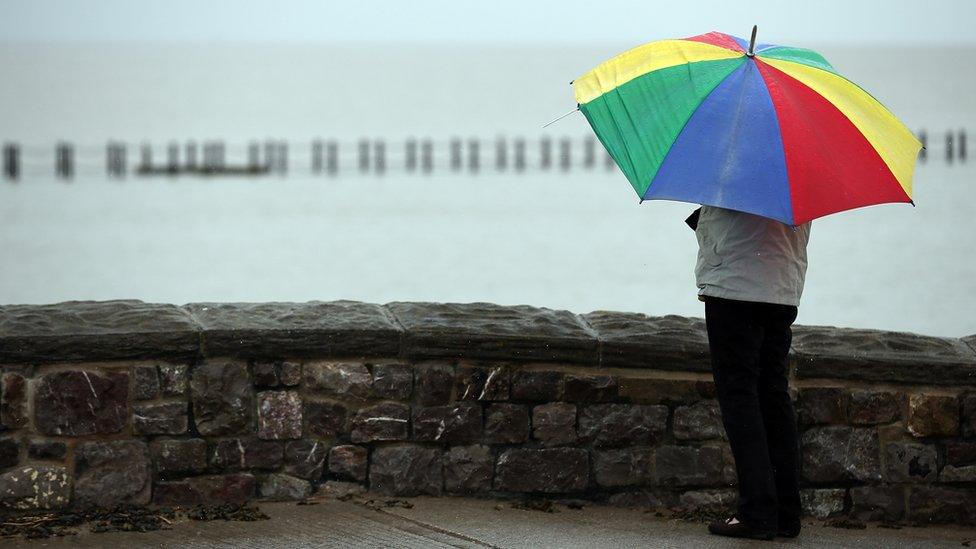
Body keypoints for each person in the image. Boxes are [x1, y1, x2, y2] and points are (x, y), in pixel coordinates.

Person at [688, 205, 812, 541]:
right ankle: (785, 512)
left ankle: (757, 511)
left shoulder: (730, 162)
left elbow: (732, 232)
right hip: (782, 289)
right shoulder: (795, 168)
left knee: (739, 396)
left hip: (734, 289)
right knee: (773, 396)